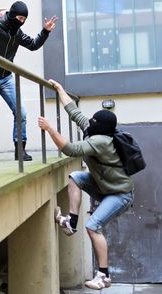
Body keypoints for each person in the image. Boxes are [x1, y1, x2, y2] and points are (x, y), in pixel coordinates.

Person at [38, 79, 134, 290]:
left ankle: (104, 276)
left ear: (100, 126)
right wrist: (60, 89)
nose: (90, 120)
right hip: (104, 187)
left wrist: (50, 129)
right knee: (76, 176)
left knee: (93, 226)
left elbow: (70, 149)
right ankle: (71, 223)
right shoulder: (95, 131)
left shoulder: (101, 142)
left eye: (94, 120)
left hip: (120, 195)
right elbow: (74, 112)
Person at [0, 1, 58, 160]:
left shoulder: (18, 33)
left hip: (7, 77)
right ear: (12, 15)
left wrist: (45, 31)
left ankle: (20, 150)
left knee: (20, 113)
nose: (21, 22)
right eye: (20, 18)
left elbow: (33, 45)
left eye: (24, 19)